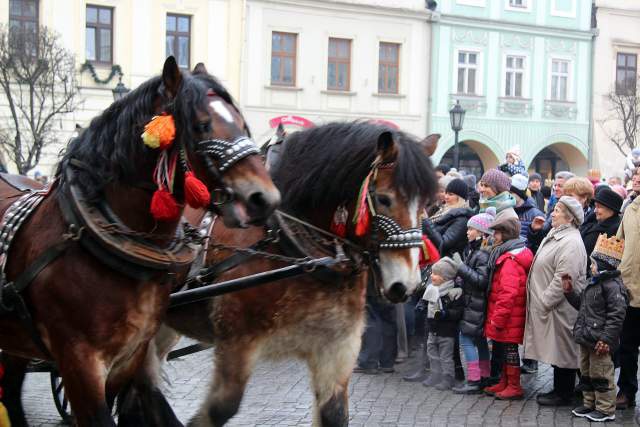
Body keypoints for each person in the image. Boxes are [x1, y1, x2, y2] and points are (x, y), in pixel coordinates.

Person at [523, 196, 588, 406]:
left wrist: (545, 301)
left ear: (569, 218)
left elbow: (565, 276)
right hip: (553, 306)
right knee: (557, 349)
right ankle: (563, 390)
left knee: (564, 351)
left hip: (560, 306)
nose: (553, 212)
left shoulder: (571, 242)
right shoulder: (557, 234)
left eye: (558, 210)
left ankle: (564, 393)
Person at [564, 234, 628, 422]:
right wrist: (569, 292)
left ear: (603, 265)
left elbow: (617, 316)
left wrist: (606, 339)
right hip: (587, 338)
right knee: (587, 373)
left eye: (593, 264)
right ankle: (590, 403)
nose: (591, 267)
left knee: (601, 374)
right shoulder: (593, 284)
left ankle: (606, 409)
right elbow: (581, 304)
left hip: (600, 341)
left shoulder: (613, 286)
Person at [482, 210, 533, 400]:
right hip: (509, 315)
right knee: (504, 349)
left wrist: (497, 319)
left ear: (506, 234)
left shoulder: (510, 260)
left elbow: (508, 293)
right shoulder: (508, 254)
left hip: (509, 316)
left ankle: (514, 385)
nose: (493, 236)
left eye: (497, 233)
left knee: (510, 351)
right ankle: (505, 382)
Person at [451, 208, 495, 394]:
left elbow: (480, 281)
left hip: (475, 304)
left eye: (471, 229)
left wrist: (460, 268)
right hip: (475, 303)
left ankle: (474, 379)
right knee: (480, 341)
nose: (467, 232)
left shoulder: (482, 254)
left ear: (482, 233)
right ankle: (484, 376)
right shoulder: (476, 251)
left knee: (466, 339)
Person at [419, 257, 464, 390]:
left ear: (445, 278)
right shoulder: (431, 289)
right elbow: (425, 300)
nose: (432, 276)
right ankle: (435, 374)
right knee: (432, 353)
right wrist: (421, 305)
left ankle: (448, 378)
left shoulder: (453, 293)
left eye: (436, 274)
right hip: (432, 329)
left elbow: (458, 312)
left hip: (446, 331)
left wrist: (446, 314)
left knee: (446, 357)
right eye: (432, 273)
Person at [615, 178, 640, 409]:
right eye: (636, 174)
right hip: (630, 288)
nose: (637, 178)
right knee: (628, 346)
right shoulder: (630, 209)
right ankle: (626, 390)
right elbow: (618, 243)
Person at [423, 178, 475, 258]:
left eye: (450, 194)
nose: (446, 197)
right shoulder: (443, 211)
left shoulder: (462, 219)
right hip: (434, 258)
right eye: (446, 193)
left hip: (446, 262)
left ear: (460, 197)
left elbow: (443, 244)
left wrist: (426, 222)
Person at [580, 187, 622, 275]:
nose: (595, 210)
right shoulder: (594, 223)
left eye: (599, 207)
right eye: (595, 206)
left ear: (611, 210)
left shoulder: (615, 231)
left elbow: (608, 264)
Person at [511, 173, 544, 243]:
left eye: (511, 192)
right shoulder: (507, 210)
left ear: (519, 193)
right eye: (532, 181)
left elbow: (538, 241)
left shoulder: (536, 214)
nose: (508, 195)